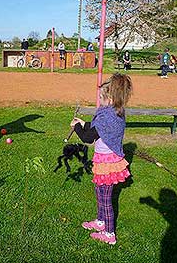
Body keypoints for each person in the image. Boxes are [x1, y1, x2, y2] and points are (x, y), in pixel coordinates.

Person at [71, 73, 133, 245]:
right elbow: (96, 128)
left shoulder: (107, 116)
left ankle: (109, 233)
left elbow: (88, 138)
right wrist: (83, 123)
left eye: (101, 97)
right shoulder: (115, 111)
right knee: (99, 192)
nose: (99, 100)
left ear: (111, 98)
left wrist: (77, 127)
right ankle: (100, 221)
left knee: (105, 199)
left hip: (108, 163)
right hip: (105, 160)